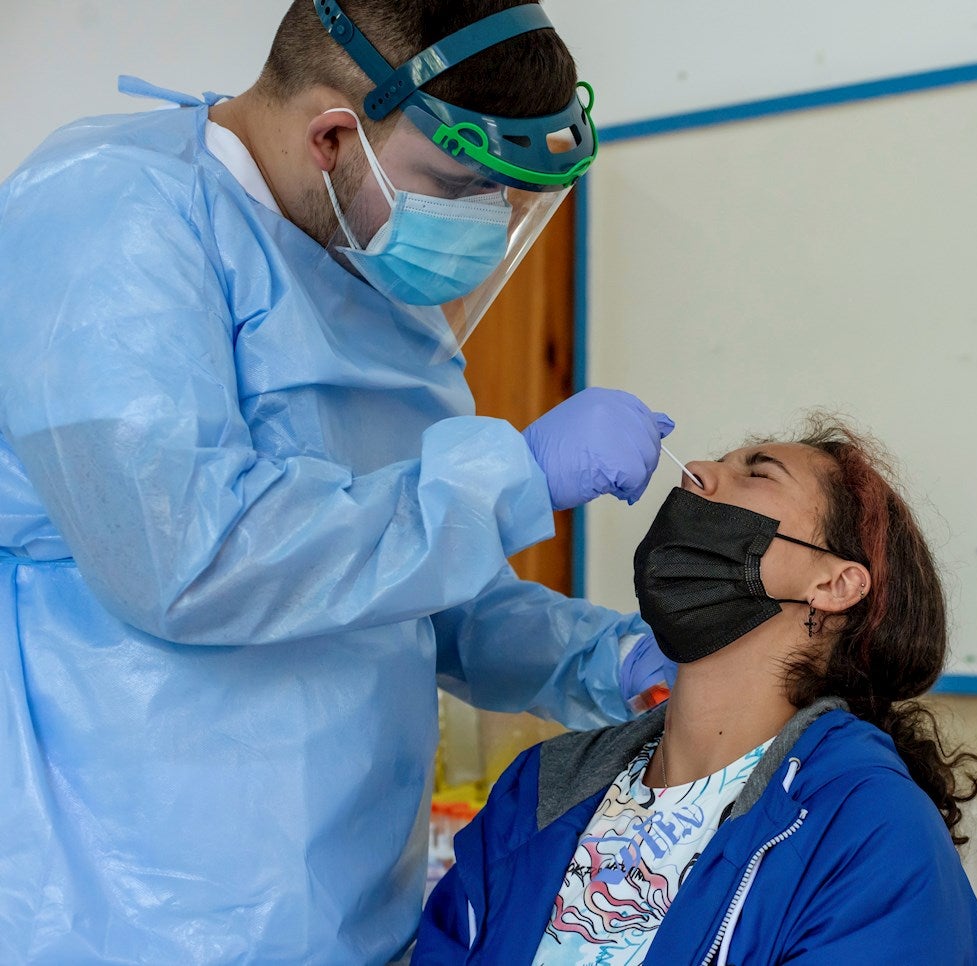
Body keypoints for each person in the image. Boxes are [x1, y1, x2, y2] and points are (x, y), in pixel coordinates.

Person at [0, 1, 676, 961]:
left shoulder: (378, 294)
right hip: (127, 910)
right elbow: (185, 560)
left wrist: (603, 661)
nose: (485, 224)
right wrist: (513, 474)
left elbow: (417, 591)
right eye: (461, 185)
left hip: (358, 912)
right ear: (333, 135)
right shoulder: (113, 211)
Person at [416, 417, 977, 965]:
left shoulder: (873, 832)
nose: (697, 472)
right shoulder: (539, 790)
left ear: (835, 583)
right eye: (718, 462)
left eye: (758, 472)